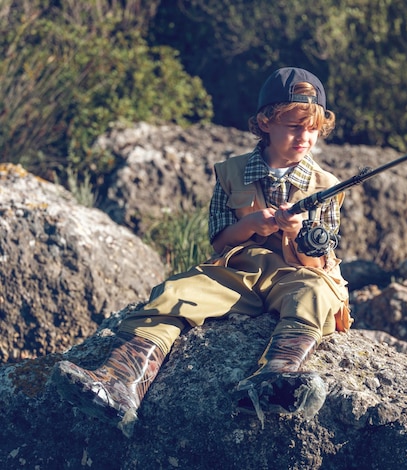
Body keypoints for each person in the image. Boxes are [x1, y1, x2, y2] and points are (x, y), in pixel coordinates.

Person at [52, 67, 352, 437]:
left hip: (297, 273)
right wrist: (253, 223)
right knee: (177, 293)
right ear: (265, 122)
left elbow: (319, 260)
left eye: (312, 130)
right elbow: (220, 241)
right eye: (293, 127)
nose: (304, 137)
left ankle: (276, 377)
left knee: (316, 295)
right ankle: (120, 384)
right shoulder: (232, 172)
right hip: (239, 269)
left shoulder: (326, 186)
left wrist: (297, 232)